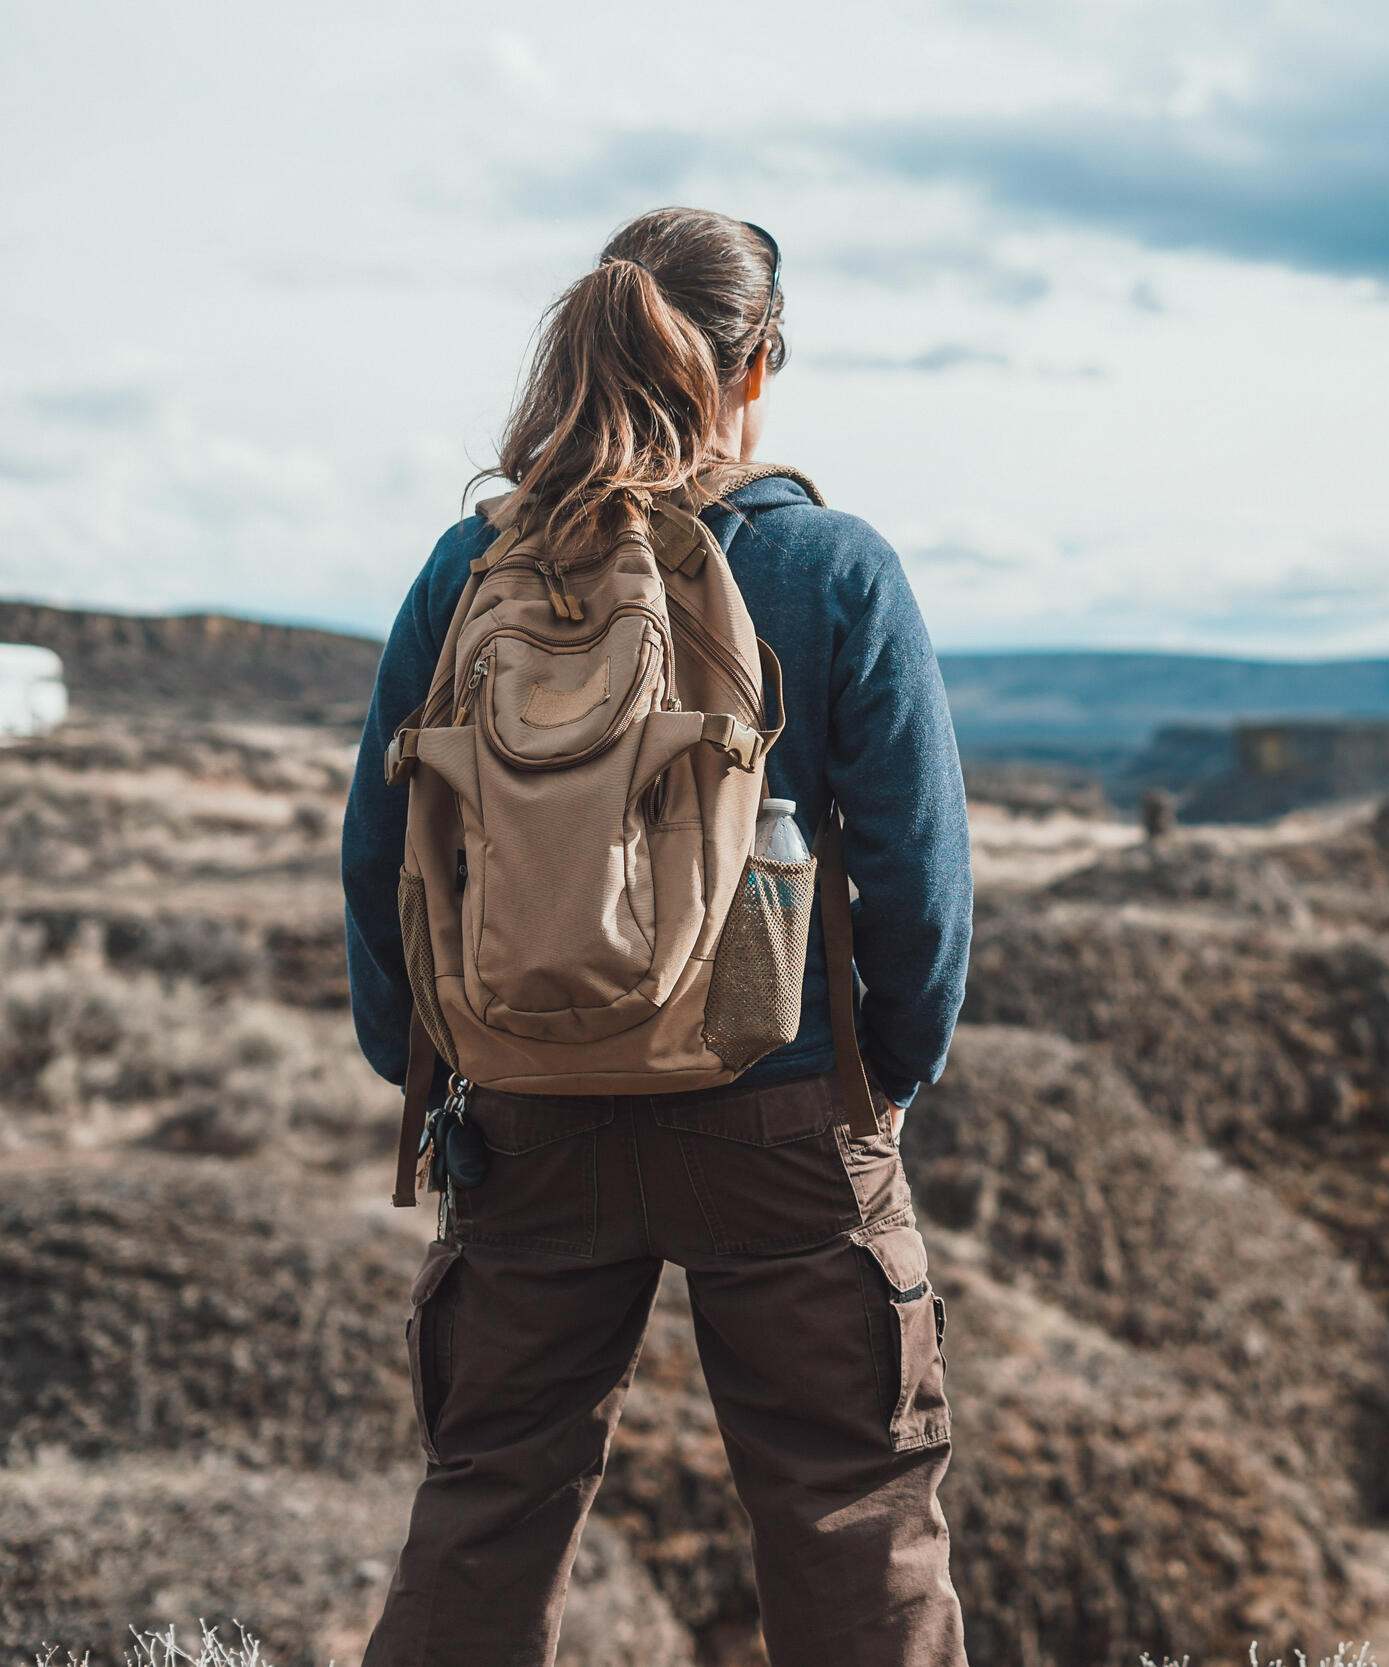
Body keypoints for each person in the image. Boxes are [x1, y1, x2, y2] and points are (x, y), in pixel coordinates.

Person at [339, 206, 976, 1667]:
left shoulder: (468, 568)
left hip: (524, 1112)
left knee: (489, 1502)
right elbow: (920, 877)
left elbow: (384, 856)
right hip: (782, 1110)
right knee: (846, 1510)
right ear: (758, 371)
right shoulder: (833, 568)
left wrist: (432, 1076)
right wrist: (876, 1079)